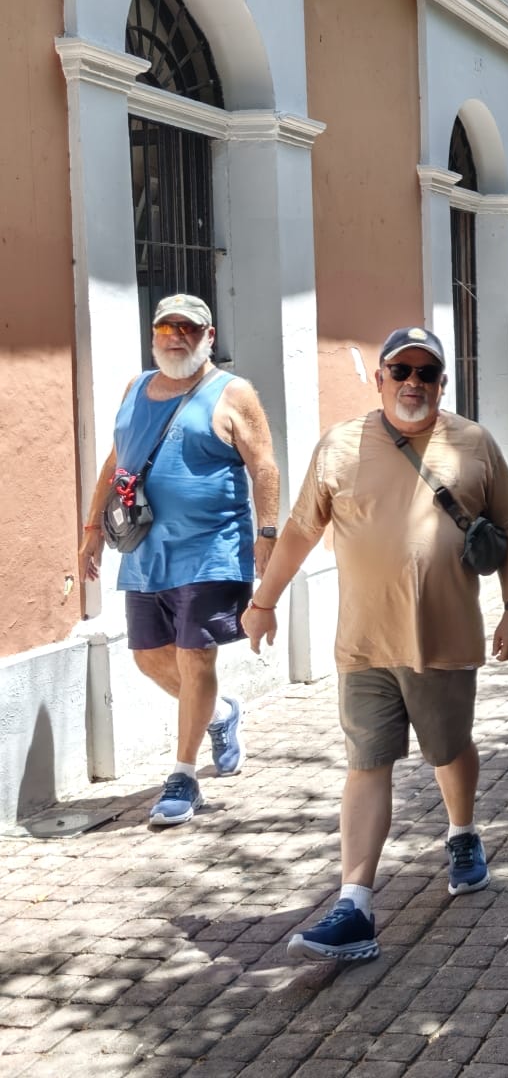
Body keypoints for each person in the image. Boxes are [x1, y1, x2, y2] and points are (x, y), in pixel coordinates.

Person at [244, 326, 508, 963]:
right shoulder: (339, 446)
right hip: (365, 644)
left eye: (426, 373)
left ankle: (462, 832)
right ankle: (355, 905)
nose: (412, 383)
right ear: (379, 379)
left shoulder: (474, 443)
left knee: (449, 749)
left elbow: (506, 528)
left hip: (444, 639)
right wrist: (263, 602)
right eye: (401, 371)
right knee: (366, 763)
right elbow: (300, 531)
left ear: (443, 383)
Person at [78, 293, 279, 827]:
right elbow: (117, 462)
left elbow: (264, 466)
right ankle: (220, 712)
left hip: (211, 548)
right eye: (167, 327)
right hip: (144, 550)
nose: (176, 337)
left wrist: (267, 534)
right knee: (148, 657)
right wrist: (92, 529)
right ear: (153, 335)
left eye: (188, 328)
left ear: (209, 336)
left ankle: (183, 777)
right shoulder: (136, 388)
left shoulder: (232, 392)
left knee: (195, 657)